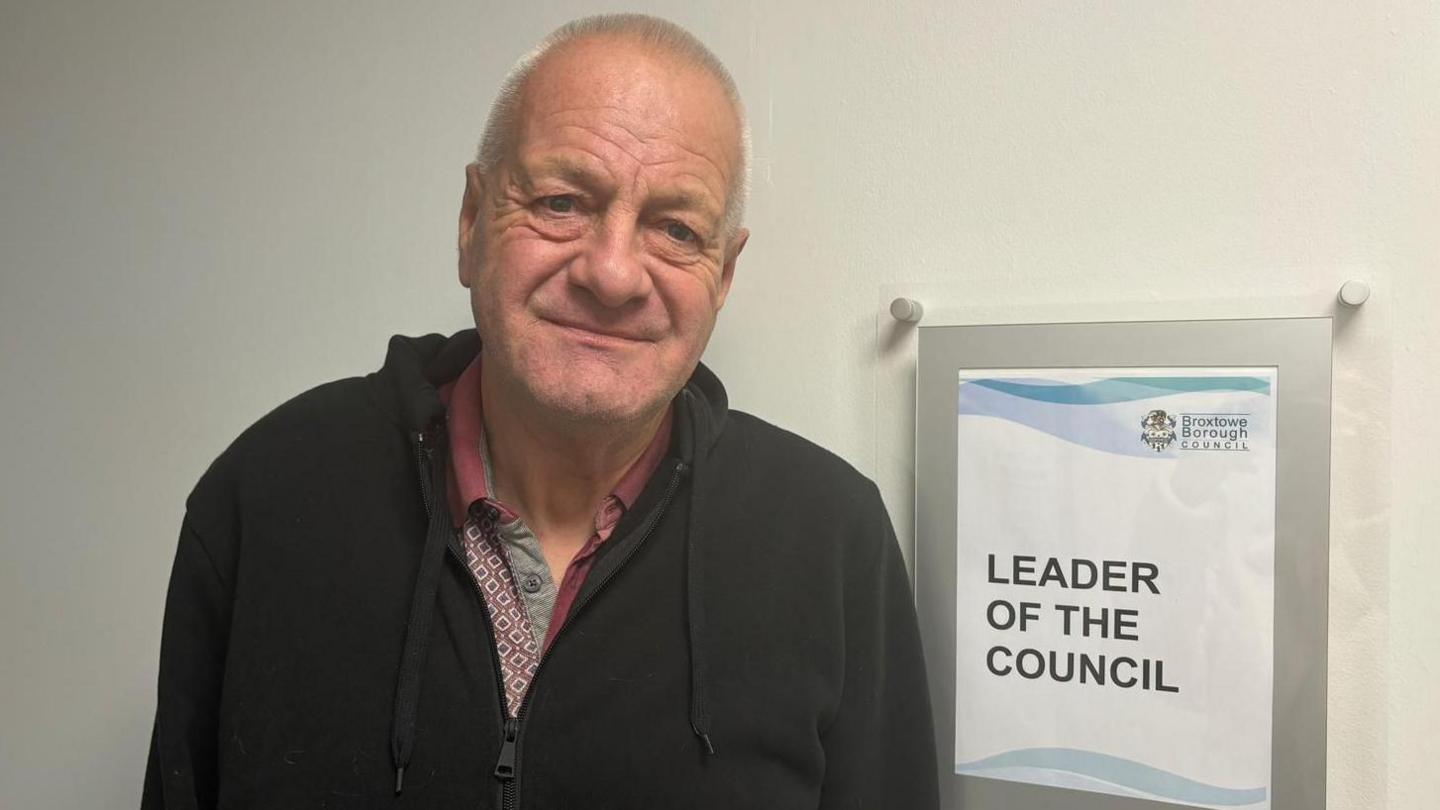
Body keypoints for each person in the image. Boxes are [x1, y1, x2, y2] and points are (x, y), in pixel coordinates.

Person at [142, 14, 938, 809]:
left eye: (675, 227)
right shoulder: (269, 496)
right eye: (562, 201)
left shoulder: (834, 541)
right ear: (471, 221)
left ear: (723, 275)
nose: (614, 273)